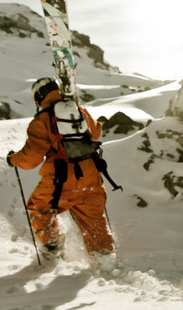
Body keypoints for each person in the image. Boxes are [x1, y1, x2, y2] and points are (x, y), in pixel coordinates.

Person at [7, 77, 114, 261]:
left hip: (60, 181)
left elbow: (30, 159)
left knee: (39, 208)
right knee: (95, 222)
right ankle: (105, 260)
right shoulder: (78, 110)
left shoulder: (41, 120)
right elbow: (96, 131)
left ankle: (53, 248)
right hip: (91, 177)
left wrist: (12, 159)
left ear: (38, 98)